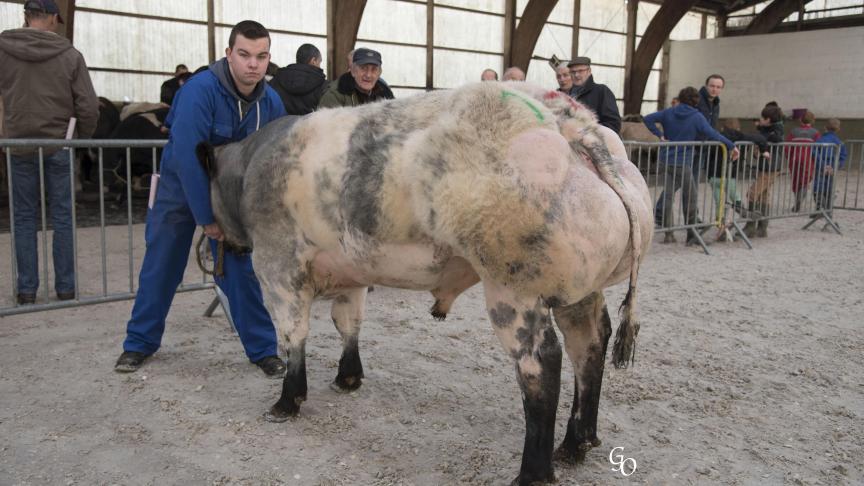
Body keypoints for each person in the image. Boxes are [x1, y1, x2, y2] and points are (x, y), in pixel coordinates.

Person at [115, 20, 287, 376]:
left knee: (240, 269)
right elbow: (188, 157)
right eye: (244, 55)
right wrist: (208, 218)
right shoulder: (200, 91)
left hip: (230, 192)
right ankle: (139, 344)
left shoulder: (270, 102)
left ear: (269, 58)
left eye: (261, 56)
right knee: (162, 265)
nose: (253, 64)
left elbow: (276, 158)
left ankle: (263, 350)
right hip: (181, 187)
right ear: (228, 54)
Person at [0, 0, 99, 305]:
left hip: (18, 144)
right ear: (56, 18)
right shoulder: (70, 55)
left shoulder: (3, 49)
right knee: (63, 216)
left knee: (24, 217)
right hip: (59, 143)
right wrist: (81, 138)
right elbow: (88, 105)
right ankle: (66, 288)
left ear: (25, 17)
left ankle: (27, 290)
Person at [642, 86, 738, 246]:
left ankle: (669, 234)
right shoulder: (697, 117)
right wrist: (730, 145)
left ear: (680, 98)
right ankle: (691, 234)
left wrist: (659, 135)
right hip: (683, 162)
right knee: (691, 197)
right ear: (696, 101)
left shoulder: (668, 112)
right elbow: (713, 134)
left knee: (668, 195)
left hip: (665, 159)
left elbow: (647, 119)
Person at [655, 74, 724, 225]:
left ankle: (665, 214)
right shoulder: (696, 101)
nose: (715, 89)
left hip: (702, 149)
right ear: (706, 85)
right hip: (688, 149)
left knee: (689, 184)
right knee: (681, 185)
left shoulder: (716, 103)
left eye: (718, 87)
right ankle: (665, 214)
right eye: (712, 86)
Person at [744, 104, 785, 238]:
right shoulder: (767, 129)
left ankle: (750, 226)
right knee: (763, 195)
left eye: (763, 118)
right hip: (766, 166)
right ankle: (762, 227)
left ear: (768, 119)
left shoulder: (776, 130)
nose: (760, 119)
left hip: (771, 167)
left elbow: (776, 139)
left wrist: (762, 136)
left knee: (752, 193)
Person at [319, 47, 394, 108]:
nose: (368, 75)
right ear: (352, 71)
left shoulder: (385, 94)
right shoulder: (334, 95)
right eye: (363, 68)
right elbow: (323, 124)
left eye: (374, 69)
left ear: (379, 73)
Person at [269, 43, 327, 115]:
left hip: (277, 125)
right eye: (319, 62)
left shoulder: (275, 81)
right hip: (309, 125)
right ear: (313, 61)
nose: (319, 66)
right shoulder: (324, 86)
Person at [567, 57, 621, 133]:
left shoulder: (602, 91)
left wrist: (589, 131)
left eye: (580, 71)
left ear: (589, 71)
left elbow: (613, 123)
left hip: (596, 141)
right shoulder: (567, 96)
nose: (576, 75)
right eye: (573, 72)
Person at [786, 110, 821, 212]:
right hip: (808, 159)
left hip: (795, 158)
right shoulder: (815, 133)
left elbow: (788, 146)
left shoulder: (794, 131)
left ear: (800, 120)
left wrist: (789, 157)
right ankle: (800, 199)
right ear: (813, 120)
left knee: (795, 180)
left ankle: (797, 199)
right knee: (805, 180)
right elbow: (818, 148)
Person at [812, 118, 847, 213]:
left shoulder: (820, 140)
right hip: (832, 168)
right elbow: (843, 156)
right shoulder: (839, 142)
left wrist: (823, 165)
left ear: (825, 127)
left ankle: (819, 208)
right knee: (830, 187)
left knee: (818, 186)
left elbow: (814, 152)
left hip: (821, 167)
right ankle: (828, 208)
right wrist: (836, 166)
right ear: (838, 129)